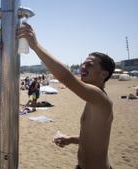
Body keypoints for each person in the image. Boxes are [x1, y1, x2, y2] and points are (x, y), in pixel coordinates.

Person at [18, 23, 115, 169]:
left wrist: (35, 45)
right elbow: (93, 138)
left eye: (89, 65)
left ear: (104, 74)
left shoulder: (99, 97)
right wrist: (70, 139)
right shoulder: (93, 99)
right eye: (83, 63)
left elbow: (66, 77)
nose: (83, 67)